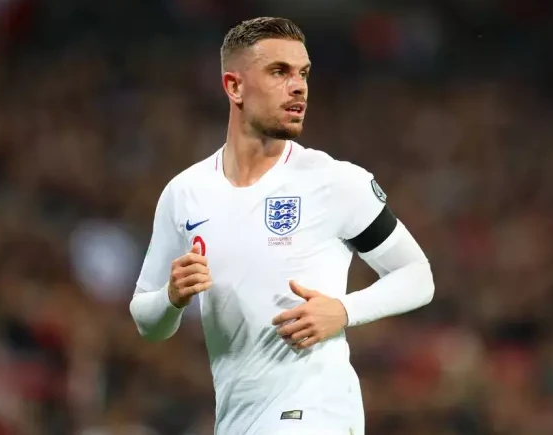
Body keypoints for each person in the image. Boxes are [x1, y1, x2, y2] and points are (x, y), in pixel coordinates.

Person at [129, 16, 435, 435]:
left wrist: (344, 310)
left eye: (303, 74)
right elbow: (147, 322)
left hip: (318, 410)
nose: (299, 86)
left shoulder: (334, 181)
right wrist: (172, 297)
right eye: (279, 72)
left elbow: (417, 275)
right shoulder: (185, 193)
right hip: (237, 420)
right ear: (234, 87)